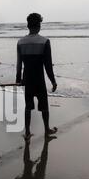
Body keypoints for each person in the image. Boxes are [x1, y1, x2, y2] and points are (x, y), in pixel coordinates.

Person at [16, 13, 58, 141]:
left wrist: (18, 79)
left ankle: (27, 132)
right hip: (39, 80)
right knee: (44, 106)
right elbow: (48, 66)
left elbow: (19, 64)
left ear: (28, 25)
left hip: (27, 80)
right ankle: (47, 130)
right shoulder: (44, 41)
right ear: (39, 26)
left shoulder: (20, 42)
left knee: (28, 107)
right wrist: (53, 81)